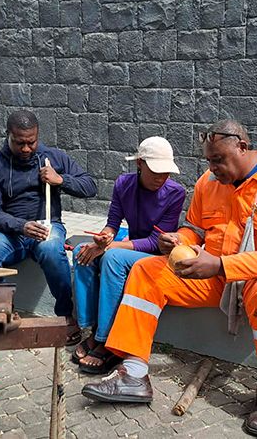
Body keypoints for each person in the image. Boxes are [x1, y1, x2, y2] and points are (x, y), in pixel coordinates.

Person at [81, 119, 257, 438]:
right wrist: (180, 240)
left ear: (242, 148)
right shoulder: (208, 183)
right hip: (216, 272)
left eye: (218, 159)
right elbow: (196, 229)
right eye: (208, 160)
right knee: (147, 270)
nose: (212, 167)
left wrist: (219, 265)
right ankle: (134, 374)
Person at [0, 110, 97, 345]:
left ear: (37, 136)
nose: (27, 148)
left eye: (32, 142)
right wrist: (20, 225)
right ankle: (3, 309)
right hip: (10, 231)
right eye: (20, 143)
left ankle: (64, 315)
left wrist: (62, 180)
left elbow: (90, 186)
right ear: (8, 135)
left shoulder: (54, 157)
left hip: (48, 224)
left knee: (50, 249)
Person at [72, 137, 185, 374]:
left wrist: (109, 248)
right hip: (130, 247)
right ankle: (90, 329)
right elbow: (112, 223)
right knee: (81, 252)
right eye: (156, 170)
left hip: (157, 255)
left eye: (166, 172)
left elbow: (156, 241)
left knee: (112, 259)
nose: (161, 177)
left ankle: (106, 340)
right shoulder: (123, 183)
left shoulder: (176, 193)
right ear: (140, 164)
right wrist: (104, 238)